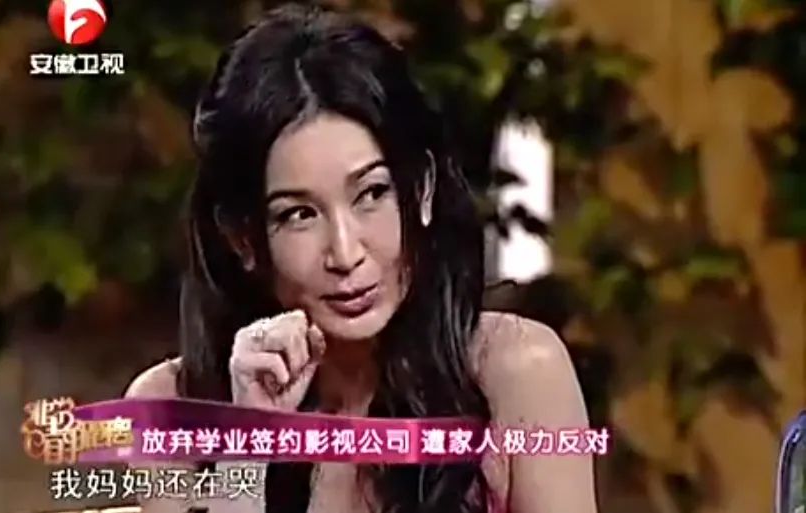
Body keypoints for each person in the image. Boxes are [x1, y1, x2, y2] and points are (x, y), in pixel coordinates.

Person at [125, 3, 597, 513]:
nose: (346, 254)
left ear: (422, 190)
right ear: (242, 238)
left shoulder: (517, 372)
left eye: (372, 193)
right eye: (299, 214)